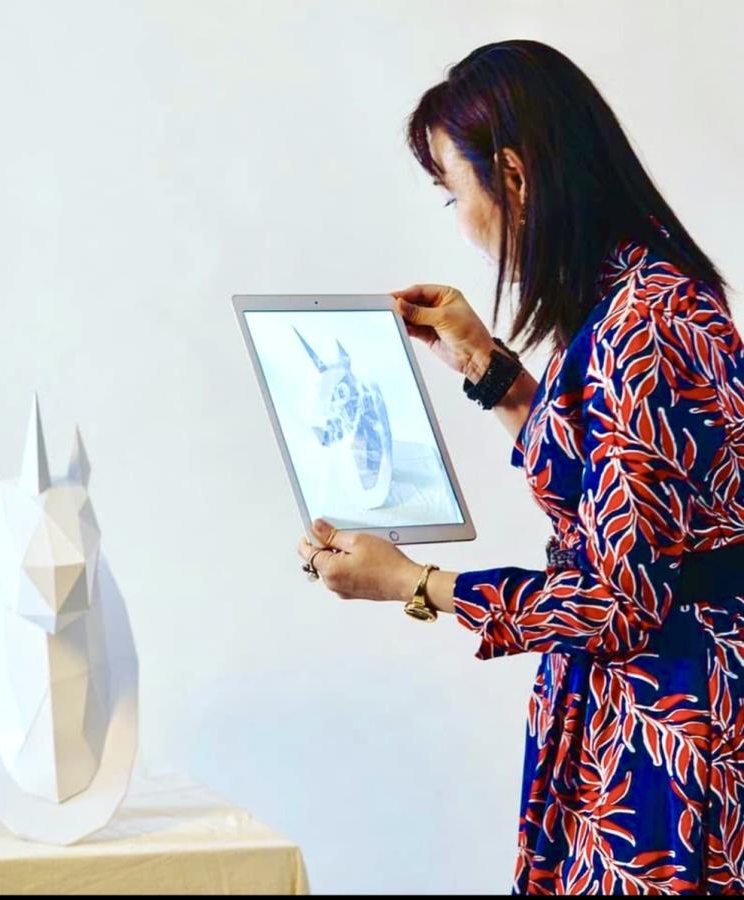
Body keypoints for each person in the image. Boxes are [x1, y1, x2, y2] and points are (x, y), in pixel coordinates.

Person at [296, 39, 744, 895]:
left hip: (666, 734)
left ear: (512, 176)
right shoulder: (649, 292)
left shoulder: (642, 326)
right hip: (661, 708)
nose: (459, 219)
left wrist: (413, 584)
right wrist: (487, 367)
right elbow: (600, 496)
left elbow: (617, 599)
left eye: (451, 192)